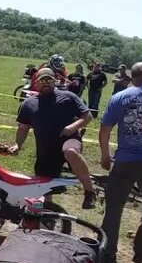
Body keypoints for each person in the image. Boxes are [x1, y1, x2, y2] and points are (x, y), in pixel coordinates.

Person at [8, 69, 98, 209]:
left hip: (68, 139)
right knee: (43, 187)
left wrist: (72, 128)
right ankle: (48, 215)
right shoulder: (28, 104)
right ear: (36, 83)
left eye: (49, 79)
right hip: (46, 148)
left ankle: (90, 192)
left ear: (55, 81)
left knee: (71, 152)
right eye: (42, 80)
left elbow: (87, 116)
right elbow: (23, 128)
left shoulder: (68, 97)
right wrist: (18, 145)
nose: (46, 83)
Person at [98, 62, 142, 263]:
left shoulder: (119, 97)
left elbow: (105, 129)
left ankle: (108, 252)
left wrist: (105, 155)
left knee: (114, 207)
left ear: (130, 76)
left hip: (125, 160)